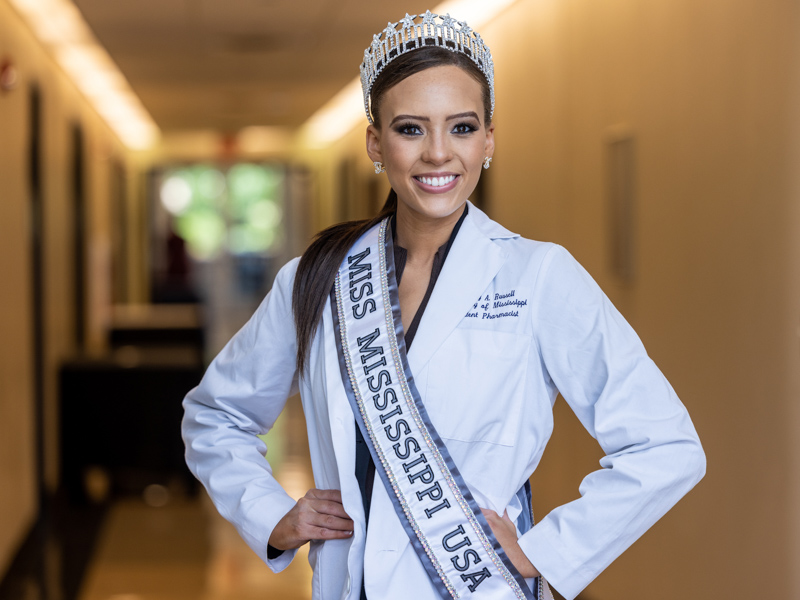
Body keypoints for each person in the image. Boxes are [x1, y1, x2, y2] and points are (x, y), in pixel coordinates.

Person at [182, 11, 705, 600]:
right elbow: (215, 415)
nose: (438, 154)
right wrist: (270, 517)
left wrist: (546, 550)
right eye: (410, 129)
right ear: (376, 144)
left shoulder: (538, 275)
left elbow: (665, 445)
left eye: (461, 128)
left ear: (488, 140)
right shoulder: (318, 278)